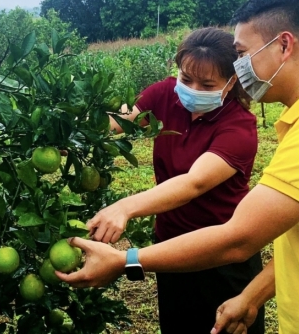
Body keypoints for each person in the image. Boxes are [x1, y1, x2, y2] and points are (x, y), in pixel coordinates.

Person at [57, 0, 299, 334]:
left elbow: (238, 238)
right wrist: (254, 295)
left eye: (242, 54)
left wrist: (126, 260)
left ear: (284, 46)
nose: (240, 66)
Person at [85, 27, 265, 333]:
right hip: (169, 248)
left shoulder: (239, 127)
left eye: (207, 84)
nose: (192, 88)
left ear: (231, 82)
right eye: (186, 79)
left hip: (221, 254)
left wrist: (125, 207)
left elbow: (193, 183)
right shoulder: (164, 95)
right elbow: (118, 122)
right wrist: (65, 134)